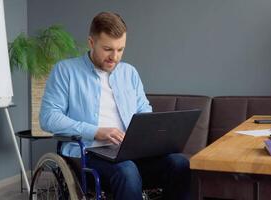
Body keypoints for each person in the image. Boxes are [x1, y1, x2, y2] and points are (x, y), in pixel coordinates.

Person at [39, 12, 190, 200]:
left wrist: (147, 134)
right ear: (91, 42)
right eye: (108, 49)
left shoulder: (129, 73)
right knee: (127, 170)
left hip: (130, 152)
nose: (115, 57)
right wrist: (96, 131)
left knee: (179, 163)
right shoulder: (66, 71)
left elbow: (144, 109)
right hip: (88, 153)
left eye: (120, 49)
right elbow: (48, 117)